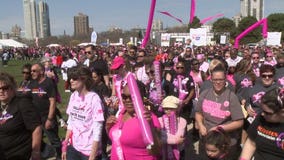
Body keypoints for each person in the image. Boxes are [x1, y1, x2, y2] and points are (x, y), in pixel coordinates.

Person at [195, 65, 244, 160]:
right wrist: (200, 125)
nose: (218, 82)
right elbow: (198, 113)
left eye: (221, 79)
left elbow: (239, 122)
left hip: (224, 142)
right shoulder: (205, 94)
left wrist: (219, 128)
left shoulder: (231, 96)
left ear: (225, 80)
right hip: (207, 140)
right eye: (215, 79)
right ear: (211, 79)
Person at [106, 82, 161, 160]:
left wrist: (150, 126)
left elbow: (157, 150)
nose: (127, 100)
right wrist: (108, 128)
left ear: (141, 98)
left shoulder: (149, 118)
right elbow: (117, 139)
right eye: (124, 97)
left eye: (132, 97)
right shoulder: (121, 113)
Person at [61, 66, 105, 160]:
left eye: (74, 78)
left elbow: (97, 130)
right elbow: (71, 122)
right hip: (74, 147)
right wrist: (65, 145)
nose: (71, 80)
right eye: (70, 78)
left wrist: (92, 156)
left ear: (84, 79)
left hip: (89, 151)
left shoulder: (94, 99)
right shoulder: (73, 96)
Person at [0, 72, 42, 160]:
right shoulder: (1, 105)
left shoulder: (22, 103)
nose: (1, 91)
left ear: (12, 88)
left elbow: (36, 128)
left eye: (5, 88)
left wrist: (36, 152)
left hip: (20, 154)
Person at [28, 63, 62, 159]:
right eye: (31, 71)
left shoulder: (48, 83)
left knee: (54, 140)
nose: (32, 73)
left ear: (42, 71)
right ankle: (47, 152)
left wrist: (50, 119)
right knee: (36, 140)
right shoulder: (32, 83)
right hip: (36, 118)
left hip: (46, 117)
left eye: (34, 71)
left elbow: (52, 101)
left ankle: (59, 156)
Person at [239, 88, 284, 160]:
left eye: (267, 113)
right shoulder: (262, 118)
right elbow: (251, 143)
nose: (262, 114)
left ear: (282, 112)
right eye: (262, 110)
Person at [158, 96, 187, 160]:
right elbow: (159, 137)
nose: (168, 110)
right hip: (163, 151)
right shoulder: (159, 120)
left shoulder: (182, 121)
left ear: (177, 108)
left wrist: (166, 138)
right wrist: (175, 140)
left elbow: (179, 135)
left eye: (171, 108)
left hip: (179, 150)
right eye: (166, 108)